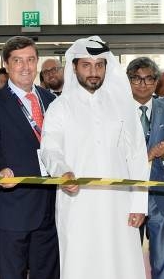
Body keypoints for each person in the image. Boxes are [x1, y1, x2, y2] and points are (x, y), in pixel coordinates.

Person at [37, 36, 149, 278]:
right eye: (86, 65)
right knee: (80, 264)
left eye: (99, 65)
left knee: (122, 265)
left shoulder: (123, 105)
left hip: (119, 205)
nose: (94, 72)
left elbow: (137, 155)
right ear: (74, 67)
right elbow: (50, 149)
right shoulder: (60, 107)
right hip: (77, 204)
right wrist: (62, 172)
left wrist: (139, 203)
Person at [0, 36, 59, 279]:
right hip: (13, 209)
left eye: (31, 60)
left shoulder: (51, 101)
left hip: (50, 209)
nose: (25, 66)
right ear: (6, 64)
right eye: (18, 61)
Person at [124, 57, 164, 279]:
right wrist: (146, 156)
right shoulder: (117, 113)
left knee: (162, 262)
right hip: (127, 196)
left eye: (148, 78)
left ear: (157, 81)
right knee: (128, 261)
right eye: (136, 79)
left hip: (161, 195)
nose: (142, 84)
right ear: (128, 81)